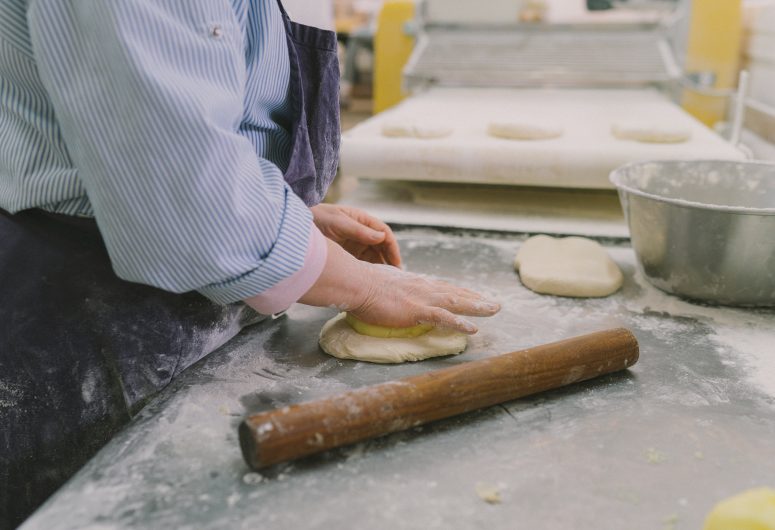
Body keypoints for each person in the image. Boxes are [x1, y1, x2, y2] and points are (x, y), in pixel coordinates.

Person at [0, 0, 500, 526]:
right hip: (82, 321)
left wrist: (283, 219)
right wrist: (364, 287)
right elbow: (177, 180)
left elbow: (215, 108)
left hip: (198, 310)